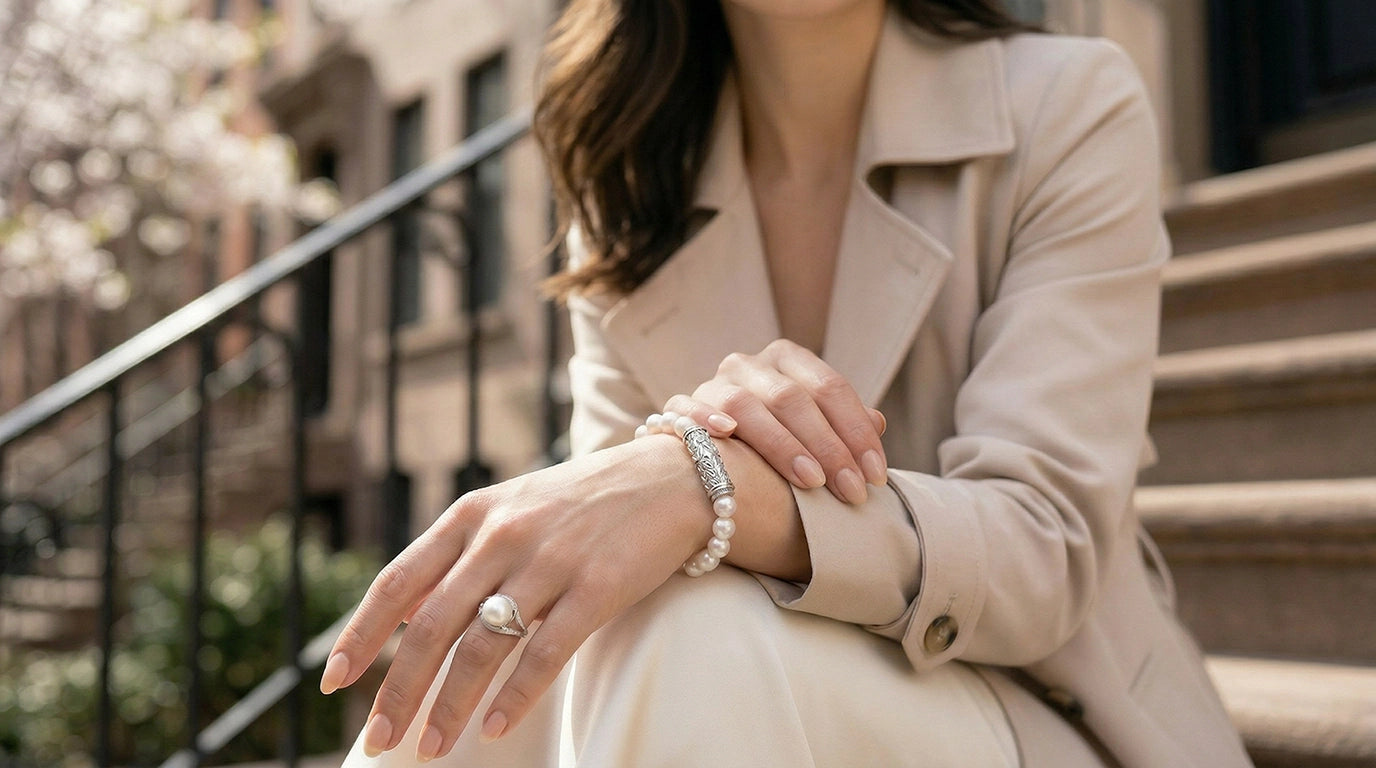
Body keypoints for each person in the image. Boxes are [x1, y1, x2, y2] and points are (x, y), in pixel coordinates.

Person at [328, 1, 1255, 765]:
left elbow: (1045, 550)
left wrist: (710, 486)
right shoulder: (626, 176)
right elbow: (607, 546)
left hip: (1039, 706)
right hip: (715, 687)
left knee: (688, 632)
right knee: (465, 705)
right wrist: (690, 482)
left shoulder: (1068, 104)